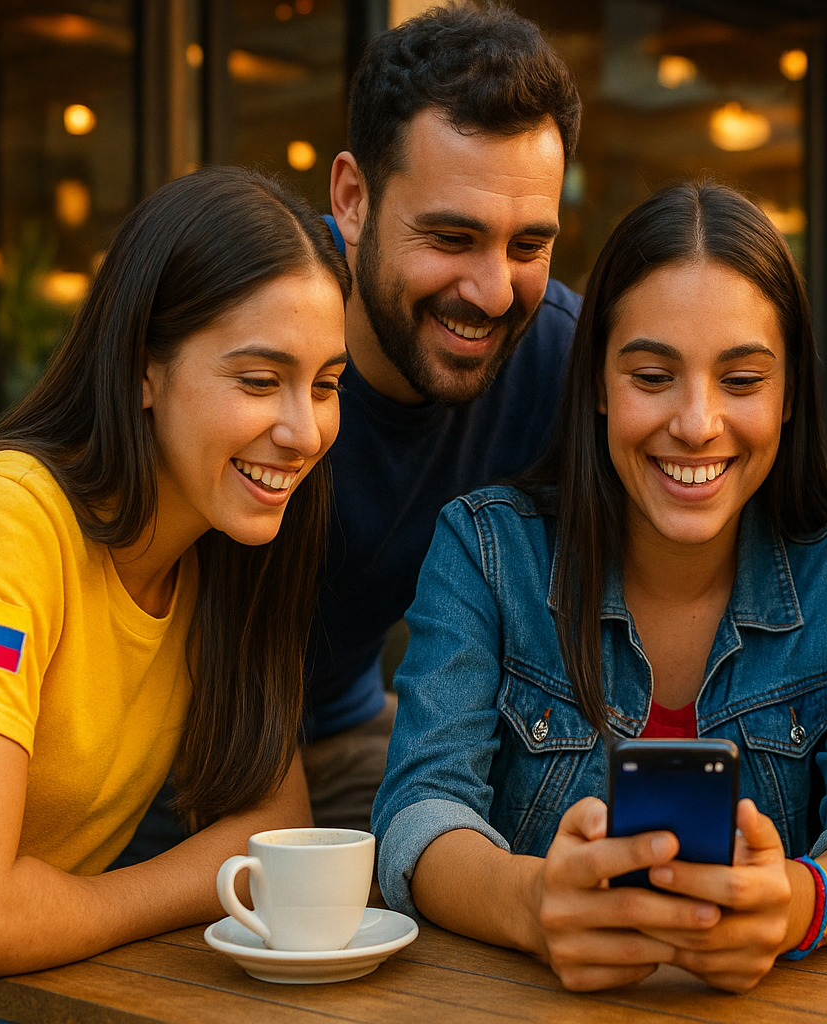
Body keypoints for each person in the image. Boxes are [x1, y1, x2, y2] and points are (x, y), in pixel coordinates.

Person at [372, 181, 827, 993]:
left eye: (742, 381)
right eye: (652, 375)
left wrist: (798, 906)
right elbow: (418, 815)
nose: (697, 422)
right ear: (599, 384)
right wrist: (533, 904)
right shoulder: (487, 550)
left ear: (786, 401)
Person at [118, 2, 584, 860]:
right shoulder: (241, 317)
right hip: (145, 754)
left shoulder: (557, 356)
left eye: (528, 244)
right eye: (452, 236)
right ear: (353, 197)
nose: (490, 290)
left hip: (334, 735)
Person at [0, 166, 349, 973]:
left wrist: (58, 905)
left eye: (326, 386)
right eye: (260, 381)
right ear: (142, 370)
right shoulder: (17, 523)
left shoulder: (220, 552)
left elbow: (277, 823)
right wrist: (175, 888)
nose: (303, 432)